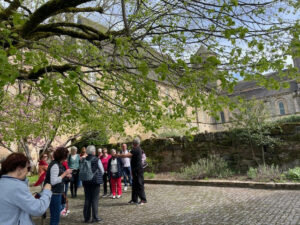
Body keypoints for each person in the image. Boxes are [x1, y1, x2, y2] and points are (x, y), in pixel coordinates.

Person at [0, 153, 52, 225]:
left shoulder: (3, 182)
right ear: (19, 169)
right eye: (28, 168)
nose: (28, 171)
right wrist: (47, 191)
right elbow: (38, 209)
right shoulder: (16, 186)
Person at [44, 147, 73, 225]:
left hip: (56, 193)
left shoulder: (57, 163)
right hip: (54, 193)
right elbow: (53, 181)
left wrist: (66, 176)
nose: (67, 157)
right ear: (62, 156)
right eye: (66, 155)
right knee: (55, 217)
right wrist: (65, 174)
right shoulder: (55, 165)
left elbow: (58, 177)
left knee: (55, 216)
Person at [116, 137, 147, 205]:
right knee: (134, 185)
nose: (132, 144)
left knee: (139, 184)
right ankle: (134, 199)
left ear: (135, 143)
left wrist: (118, 155)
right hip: (135, 169)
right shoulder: (135, 149)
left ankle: (143, 199)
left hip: (138, 170)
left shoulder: (137, 149)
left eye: (133, 142)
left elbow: (126, 155)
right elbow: (128, 156)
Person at [82, 145, 104, 223]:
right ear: (93, 151)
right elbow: (102, 170)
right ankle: (95, 217)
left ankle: (87, 218)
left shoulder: (84, 159)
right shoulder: (97, 159)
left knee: (87, 199)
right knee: (95, 199)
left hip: (86, 181)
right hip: (95, 181)